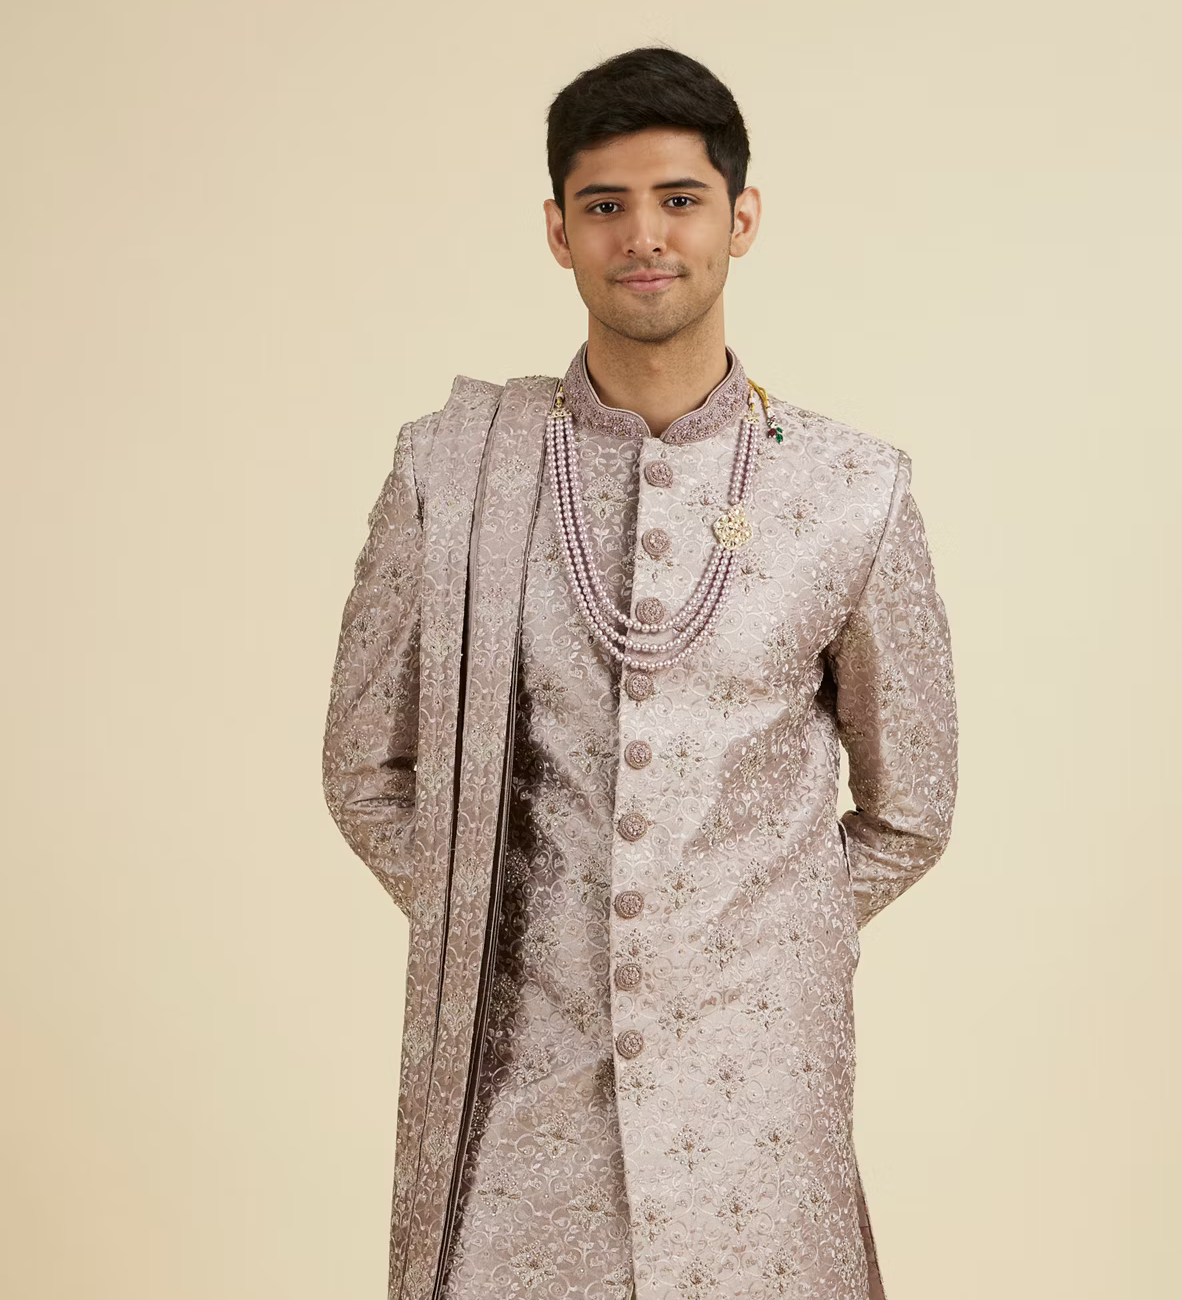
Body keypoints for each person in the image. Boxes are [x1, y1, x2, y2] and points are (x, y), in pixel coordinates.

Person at [322, 44, 959, 1300]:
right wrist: (498, 921)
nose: (644, 236)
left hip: (757, 1093)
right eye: (606, 205)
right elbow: (363, 767)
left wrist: (752, 940)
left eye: (679, 199)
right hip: (519, 1080)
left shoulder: (850, 490)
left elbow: (912, 808)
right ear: (559, 231)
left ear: (741, 218)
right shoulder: (450, 470)